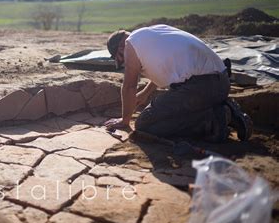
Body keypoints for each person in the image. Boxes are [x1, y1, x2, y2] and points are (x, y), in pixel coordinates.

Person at [104, 24, 252, 142]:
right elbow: (166, 66)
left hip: (202, 86)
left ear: (120, 48)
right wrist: (145, 93)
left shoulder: (130, 45)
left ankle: (216, 118)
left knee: (145, 124)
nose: (124, 63)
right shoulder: (153, 32)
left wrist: (125, 120)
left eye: (121, 59)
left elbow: (129, 86)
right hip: (219, 82)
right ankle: (218, 112)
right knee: (165, 114)